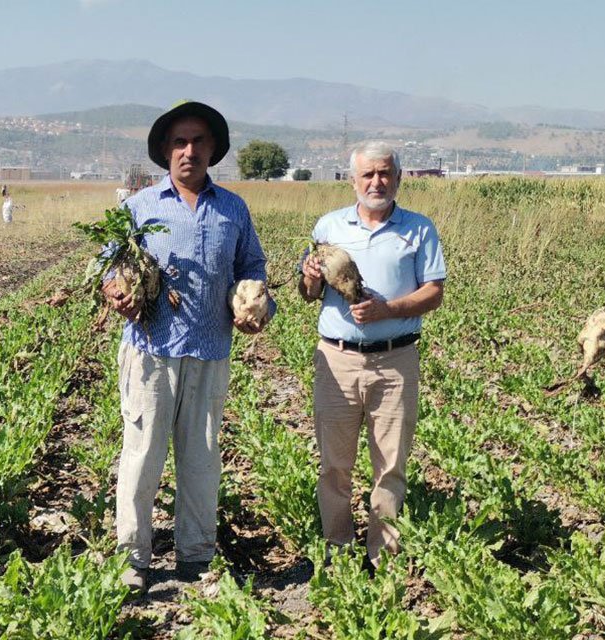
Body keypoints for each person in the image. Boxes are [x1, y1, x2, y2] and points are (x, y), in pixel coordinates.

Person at [106, 101, 273, 592]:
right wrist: (116, 289)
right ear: (165, 150)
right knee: (141, 454)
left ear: (213, 150)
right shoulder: (138, 207)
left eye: (199, 141)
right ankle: (131, 559)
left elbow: (253, 269)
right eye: (180, 141)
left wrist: (257, 305)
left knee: (201, 458)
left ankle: (196, 555)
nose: (189, 150)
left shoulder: (233, 209)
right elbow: (109, 266)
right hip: (151, 351)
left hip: (210, 350)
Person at [299, 140, 445, 566]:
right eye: (368, 174)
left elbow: (434, 293)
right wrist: (309, 277)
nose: (376, 182)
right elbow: (308, 295)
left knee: (390, 466)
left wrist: (387, 310)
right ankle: (338, 551)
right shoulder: (328, 227)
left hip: (395, 360)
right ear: (352, 180)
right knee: (334, 464)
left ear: (398, 178)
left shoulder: (419, 228)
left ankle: (383, 557)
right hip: (338, 361)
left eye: (384, 173)